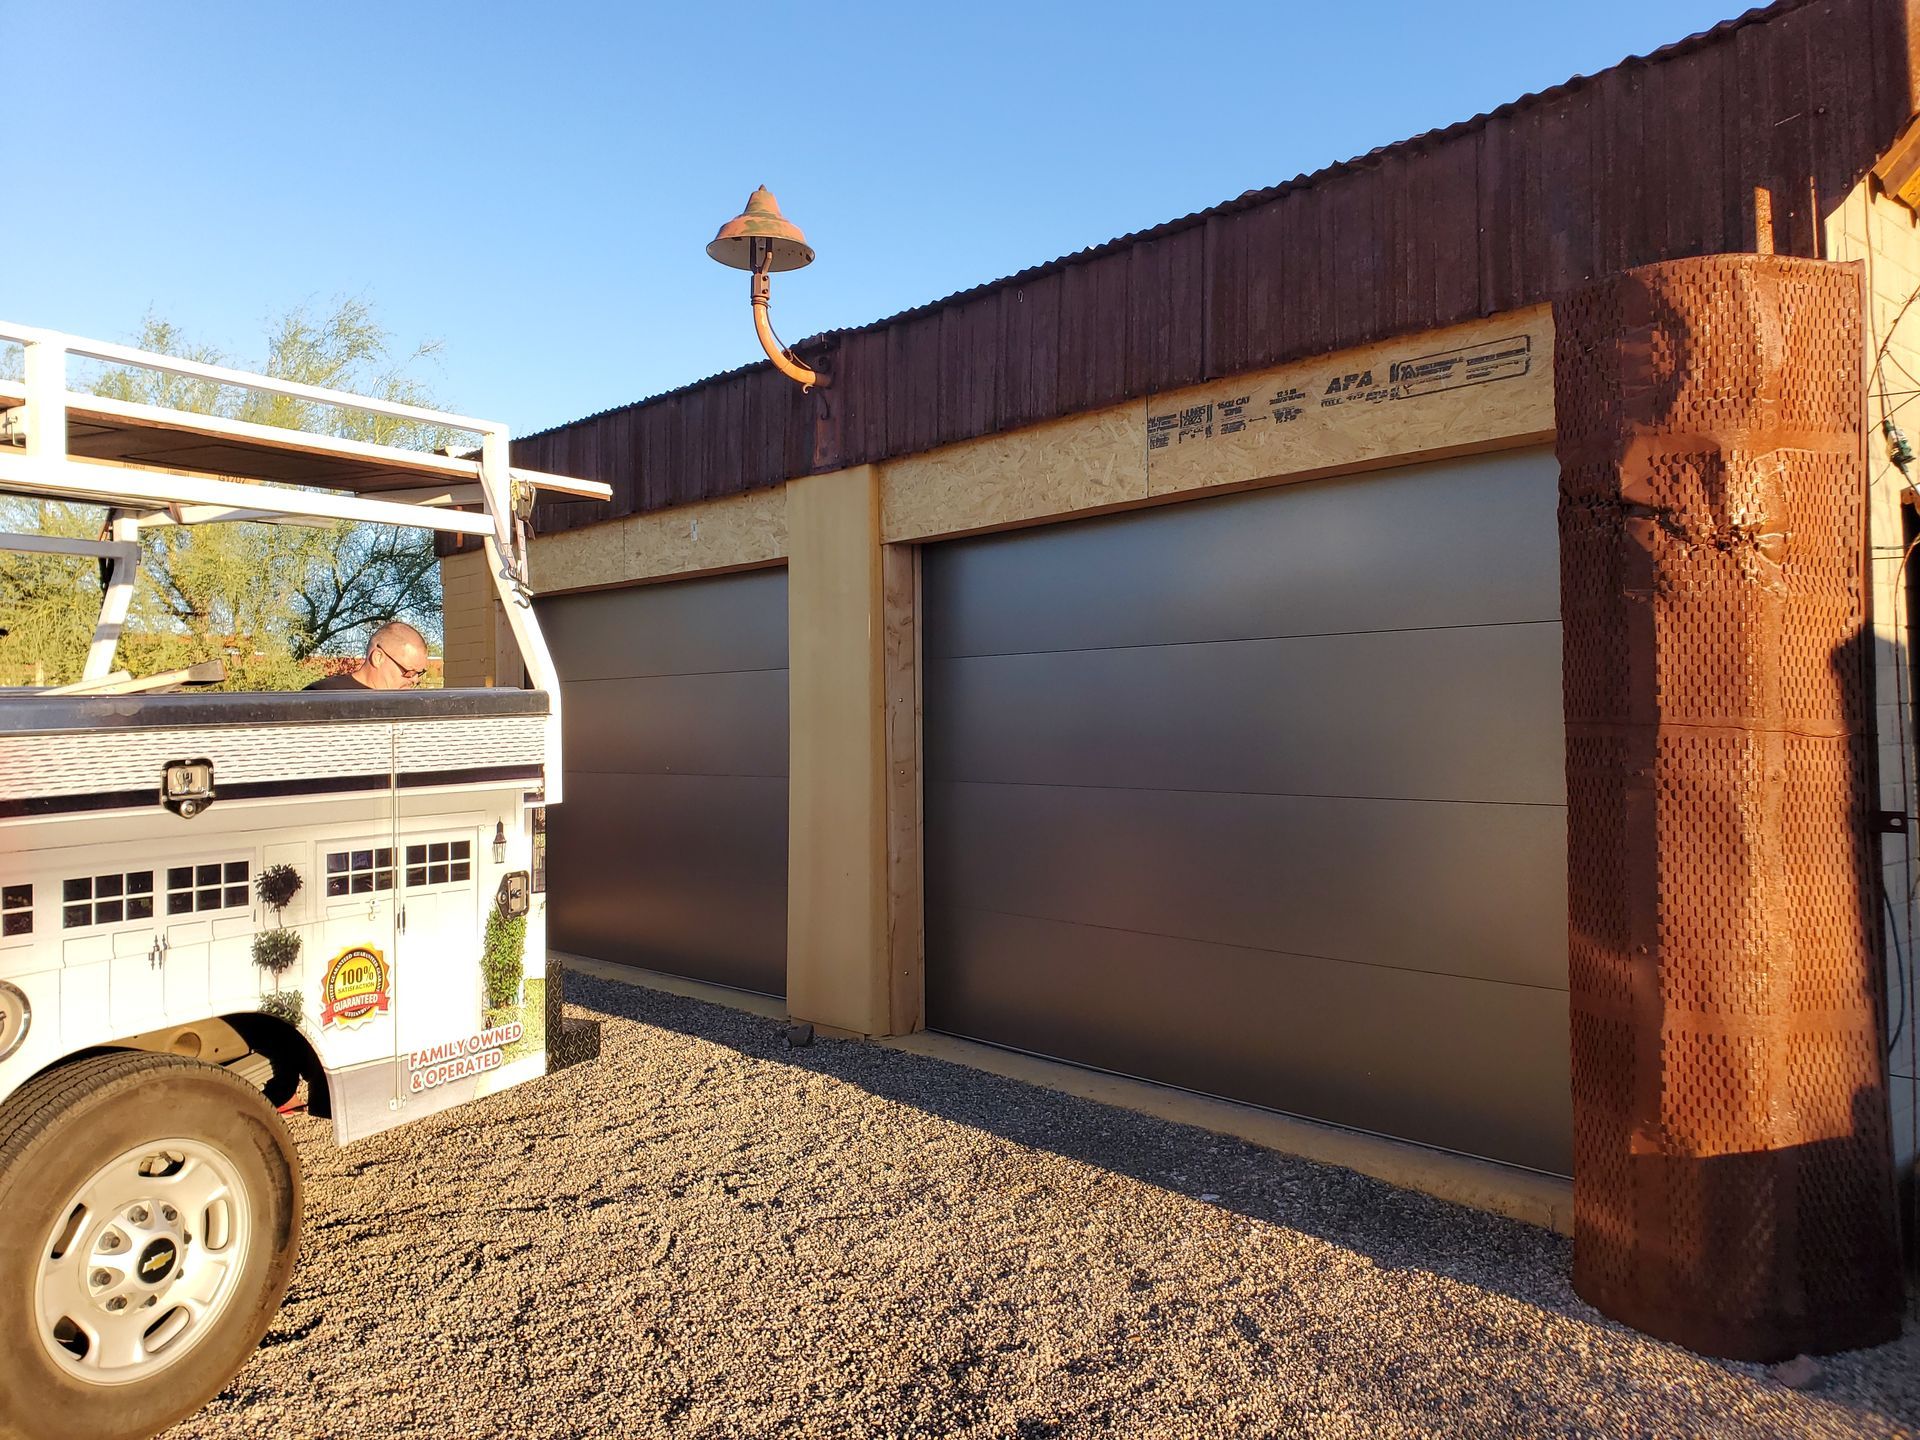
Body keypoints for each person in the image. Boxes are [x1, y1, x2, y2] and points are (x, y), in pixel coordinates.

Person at [304, 621, 430, 691]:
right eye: (410, 672)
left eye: (419, 673)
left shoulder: (412, 707)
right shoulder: (323, 695)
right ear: (378, 658)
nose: (415, 680)